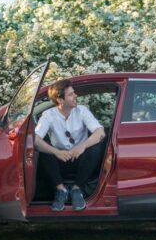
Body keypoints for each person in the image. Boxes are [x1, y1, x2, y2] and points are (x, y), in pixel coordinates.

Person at [35, 79, 105, 211]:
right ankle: (60, 190)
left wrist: (83, 146)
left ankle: (77, 189)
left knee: (96, 148)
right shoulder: (48, 115)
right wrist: (56, 152)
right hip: (59, 160)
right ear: (60, 100)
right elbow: (35, 139)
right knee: (43, 150)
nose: (75, 96)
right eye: (71, 94)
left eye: (74, 93)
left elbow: (100, 132)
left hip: (80, 159)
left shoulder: (82, 110)